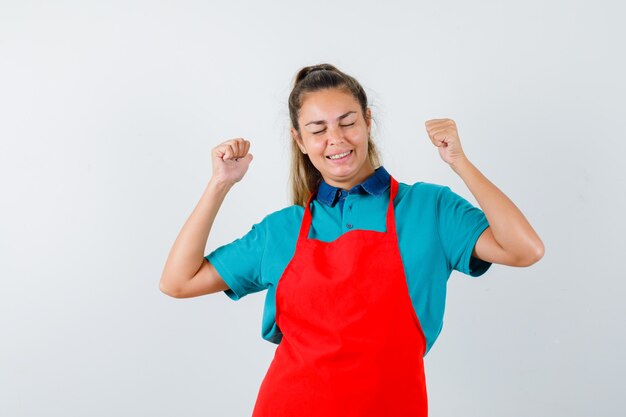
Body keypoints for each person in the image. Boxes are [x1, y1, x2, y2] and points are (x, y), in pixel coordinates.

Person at [159, 63, 545, 417]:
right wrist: (219, 184)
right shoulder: (283, 230)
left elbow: (524, 249)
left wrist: (460, 161)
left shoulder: (429, 209)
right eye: (318, 129)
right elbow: (178, 282)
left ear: (367, 122)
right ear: (299, 139)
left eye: (347, 123)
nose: (336, 139)